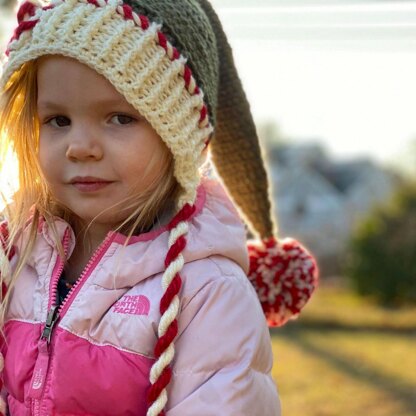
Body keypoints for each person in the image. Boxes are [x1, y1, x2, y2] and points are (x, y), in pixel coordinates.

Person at [0, 0, 318, 414]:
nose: (80, 147)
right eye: (58, 120)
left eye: (119, 118)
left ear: (178, 137)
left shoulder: (207, 290)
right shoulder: (15, 256)